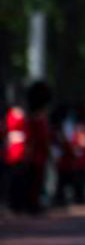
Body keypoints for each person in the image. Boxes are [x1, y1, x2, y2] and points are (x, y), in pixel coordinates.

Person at [4, 81, 52, 214]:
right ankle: (21, 204)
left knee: (32, 180)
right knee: (21, 180)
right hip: (20, 152)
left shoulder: (27, 115)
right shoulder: (23, 115)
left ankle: (28, 204)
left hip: (24, 151)